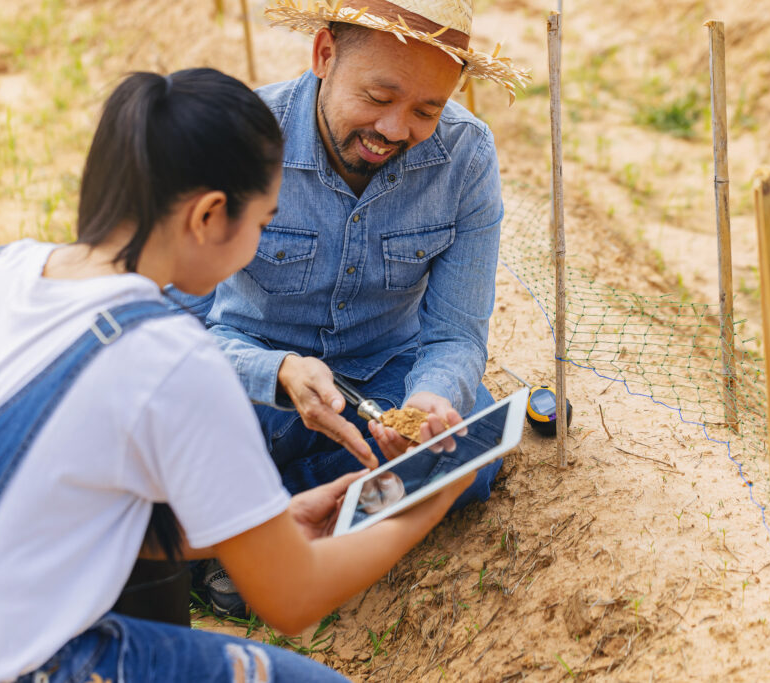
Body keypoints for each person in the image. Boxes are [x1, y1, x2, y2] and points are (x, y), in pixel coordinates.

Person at [0, 67, 475, 683]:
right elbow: (292, 600)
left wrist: (267, 522)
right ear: (209, 216)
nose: (258, 244)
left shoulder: (0, 269)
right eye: (261, 224)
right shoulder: (172, 355)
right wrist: (431, 495)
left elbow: (63, 509)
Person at [174, 0, 530, 616]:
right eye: (378, 96)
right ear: (324, 56)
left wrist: (429, 401)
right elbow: (170, 330)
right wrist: (277, 373)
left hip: (380, 380)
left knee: (464, 463)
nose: (394, 129)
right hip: (248, 377)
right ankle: (264, 531)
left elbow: (455, 335)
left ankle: (245, 532)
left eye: (426, 110)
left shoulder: (467, 159)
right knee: (170, 426)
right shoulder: (241, 140)